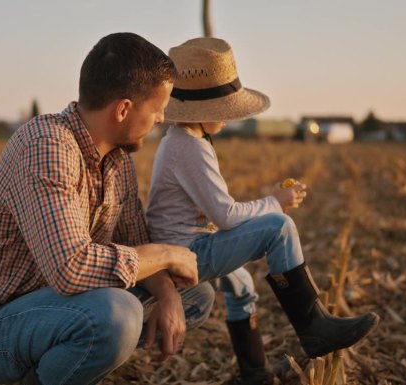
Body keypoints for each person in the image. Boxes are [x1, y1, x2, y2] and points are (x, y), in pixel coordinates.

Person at [0, 32, 216, 385]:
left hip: (65, 308)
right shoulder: (46, 146)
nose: (161, 119)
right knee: (116, 316)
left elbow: (134, 243)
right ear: (123, 109)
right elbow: (71, 269)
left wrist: (168, 294)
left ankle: (68, 363)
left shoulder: (119, 161)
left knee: (195, 296)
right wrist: (167, 253)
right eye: (157, 109)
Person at [146, 37, 380, 385]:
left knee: (241, 284)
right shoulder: (188, 147)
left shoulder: (184, 140)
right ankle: (314, 327)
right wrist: (274, 203)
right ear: (203, 110)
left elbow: (214, 213)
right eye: (224, 109)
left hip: (187, 242)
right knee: (279, 227)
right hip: (187, 252)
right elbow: (224, 215)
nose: (228, 118)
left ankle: (255, 373)